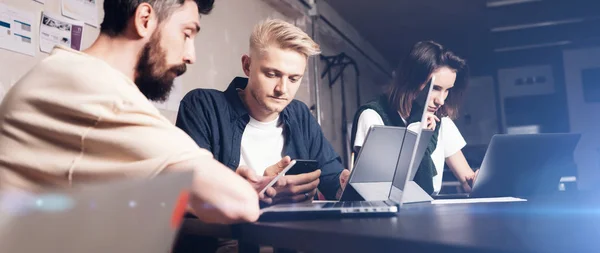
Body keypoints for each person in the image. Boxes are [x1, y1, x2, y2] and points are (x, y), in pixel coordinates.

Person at [0, 0, 268, 224]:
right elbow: (240, 203)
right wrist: (224, 187)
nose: (190, 55)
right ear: (144, 19)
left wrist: (209, 187)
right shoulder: (97, 92)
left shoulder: (64, 74)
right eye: (187, 34)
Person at [176, 19, 351, 204]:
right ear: (247, 66)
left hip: (297, 232)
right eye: (272, 74)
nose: (282, 89)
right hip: (228, 232)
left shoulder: (300, 115)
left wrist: (347, 184)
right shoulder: (202, 106)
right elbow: (188, 191)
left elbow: (333, 179)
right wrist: (253, 192)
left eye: (293, 79)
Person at [350, 41, 478, 195]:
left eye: (447, 90)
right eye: (435, 88)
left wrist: (477, 180)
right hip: (389, 212)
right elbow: (377, 189)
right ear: (410, 81)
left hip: (431, 209)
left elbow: (467, 181)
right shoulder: (373, 116)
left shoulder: (441, 122)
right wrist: (417, 134)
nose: (441, 100)